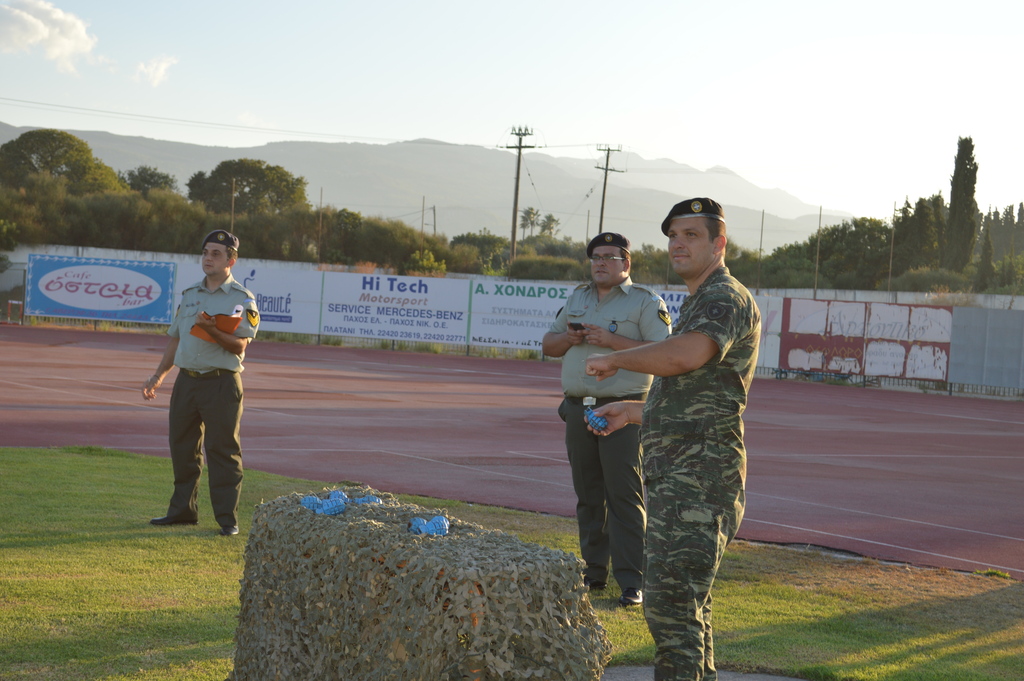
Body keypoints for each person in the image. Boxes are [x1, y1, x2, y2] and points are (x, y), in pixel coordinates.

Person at [584, 198, 761, 680]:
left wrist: (618, 358)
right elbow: (697, 396)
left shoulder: (724, 296)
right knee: (685, 612)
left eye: (692, 235)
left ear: (718, 244)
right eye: (673, 236)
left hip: (700, 481)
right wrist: (634, 411)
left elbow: (684, 356)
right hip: (686, 476)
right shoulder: (702, 299)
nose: (678, 244)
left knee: (669, 610)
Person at [542, 232, 671, 607]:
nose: (601, 263)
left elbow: (664, 353)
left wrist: (612, 341)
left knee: (624, 496)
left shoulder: (646, 303)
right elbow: (548, 346)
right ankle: (592, 572)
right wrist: (570, 338)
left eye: (610, 257)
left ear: (626, 263)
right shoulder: (578, 297)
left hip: (624, 409)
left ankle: (632, 581)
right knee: (588, 494)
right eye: (596, 257)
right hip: (579, 408)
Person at [142, 229, 260, 537]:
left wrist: (212, 330)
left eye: (216, 254)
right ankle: (183, 511)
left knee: (222, 450)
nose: (208, 258)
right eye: (206, 253)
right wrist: (158, 376)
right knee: (182, 449)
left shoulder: (241, 299)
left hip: (221, 383)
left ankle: (227, 519)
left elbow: (239, 346)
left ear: (231, 260)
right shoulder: (190, 294)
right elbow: (175, 340)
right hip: (187, 382)